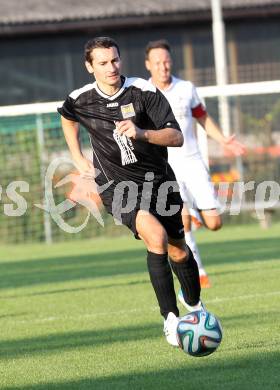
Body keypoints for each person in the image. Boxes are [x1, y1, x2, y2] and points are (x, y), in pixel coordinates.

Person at [58, 36, 204, 347]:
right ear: (89, 67)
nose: (111, 67)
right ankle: (171, 319)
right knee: (156, 237)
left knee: (178, 247)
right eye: (102, 63)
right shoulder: (80, 99)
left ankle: (195, 307)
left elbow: (176, 136)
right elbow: (67, 117)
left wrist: (142, 133)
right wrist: (77, 157)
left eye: (114, 60)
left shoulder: (144, 91)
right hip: (118, 187)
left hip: (160, 182)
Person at [145, 39, 246, 288]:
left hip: (193, 162)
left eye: (166, 61)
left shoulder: (186, 88)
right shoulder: (143, 92)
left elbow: (202, 118)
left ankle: (200, 216)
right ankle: (198, 271)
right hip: (166, 167)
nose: (163, 66)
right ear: (148, 65)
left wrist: (223, 139)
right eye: (157, 62)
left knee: (215, 224)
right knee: (182, 221)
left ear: (171, 62)